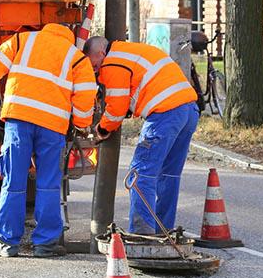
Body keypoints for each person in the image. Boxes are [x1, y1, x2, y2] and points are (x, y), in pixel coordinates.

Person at [0, 23, 97, 257]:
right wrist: (82, 126)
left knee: (13, 180)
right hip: (52, 126)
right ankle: (45, 244)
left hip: (19, 119)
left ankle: (6, 244)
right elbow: (85, 98)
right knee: (48, 183)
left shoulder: (21, 40)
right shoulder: (76, 57)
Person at [83, 36, 199, 235]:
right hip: (188, 110)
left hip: (165, 113)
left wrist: (101, 130)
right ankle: (164, 229)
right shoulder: (132, 51)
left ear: (101, 53)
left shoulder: (113, 62)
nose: (94, 69)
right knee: (169, 174)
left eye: (93, 64)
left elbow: (116, 108)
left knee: (140, 173)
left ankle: (142, 232)